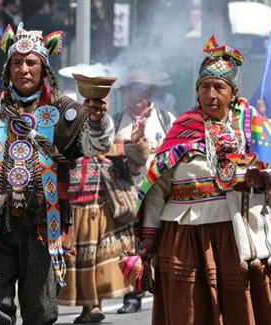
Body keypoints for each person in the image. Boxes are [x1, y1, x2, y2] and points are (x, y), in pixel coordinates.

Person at [0, 24, 115, 325]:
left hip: (43, 224)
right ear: (7, 69)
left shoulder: (63, 110)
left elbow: (95, 144)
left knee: (40, 309)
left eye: (31, 62)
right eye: (17, 63)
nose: (23, 69)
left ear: (44, 68)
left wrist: (98, 120)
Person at [136, 37, 271, 324]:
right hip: (187, 236)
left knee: (240, 308)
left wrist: (262, 179)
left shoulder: (255, 126)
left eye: (219, 87)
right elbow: (158, 185)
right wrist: (149, 235)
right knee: (190, 310)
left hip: (239, 234)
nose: (211, 94)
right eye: (204, 87)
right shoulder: (182, 128)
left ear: (233, 93)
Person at [58, 94, 139, 324]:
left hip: (100, 206)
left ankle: (95, 306)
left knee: (97, 259)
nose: (92, 108)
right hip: (74, 205)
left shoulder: (111, 133)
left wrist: (134, 149)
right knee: (81, 259)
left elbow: (133, 168)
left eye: (99, 103)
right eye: (88, 103)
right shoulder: (69, 131)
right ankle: (88, 307)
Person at [113, 69, 176, 314]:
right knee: (130, 244)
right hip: (126, 192)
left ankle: (165, 288)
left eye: (141, 90)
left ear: (149, 93)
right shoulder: (115, 121)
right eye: (131, 90)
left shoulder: (167, 119)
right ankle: (133, 294)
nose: (136, 96)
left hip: (160, 191)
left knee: (162, 242)